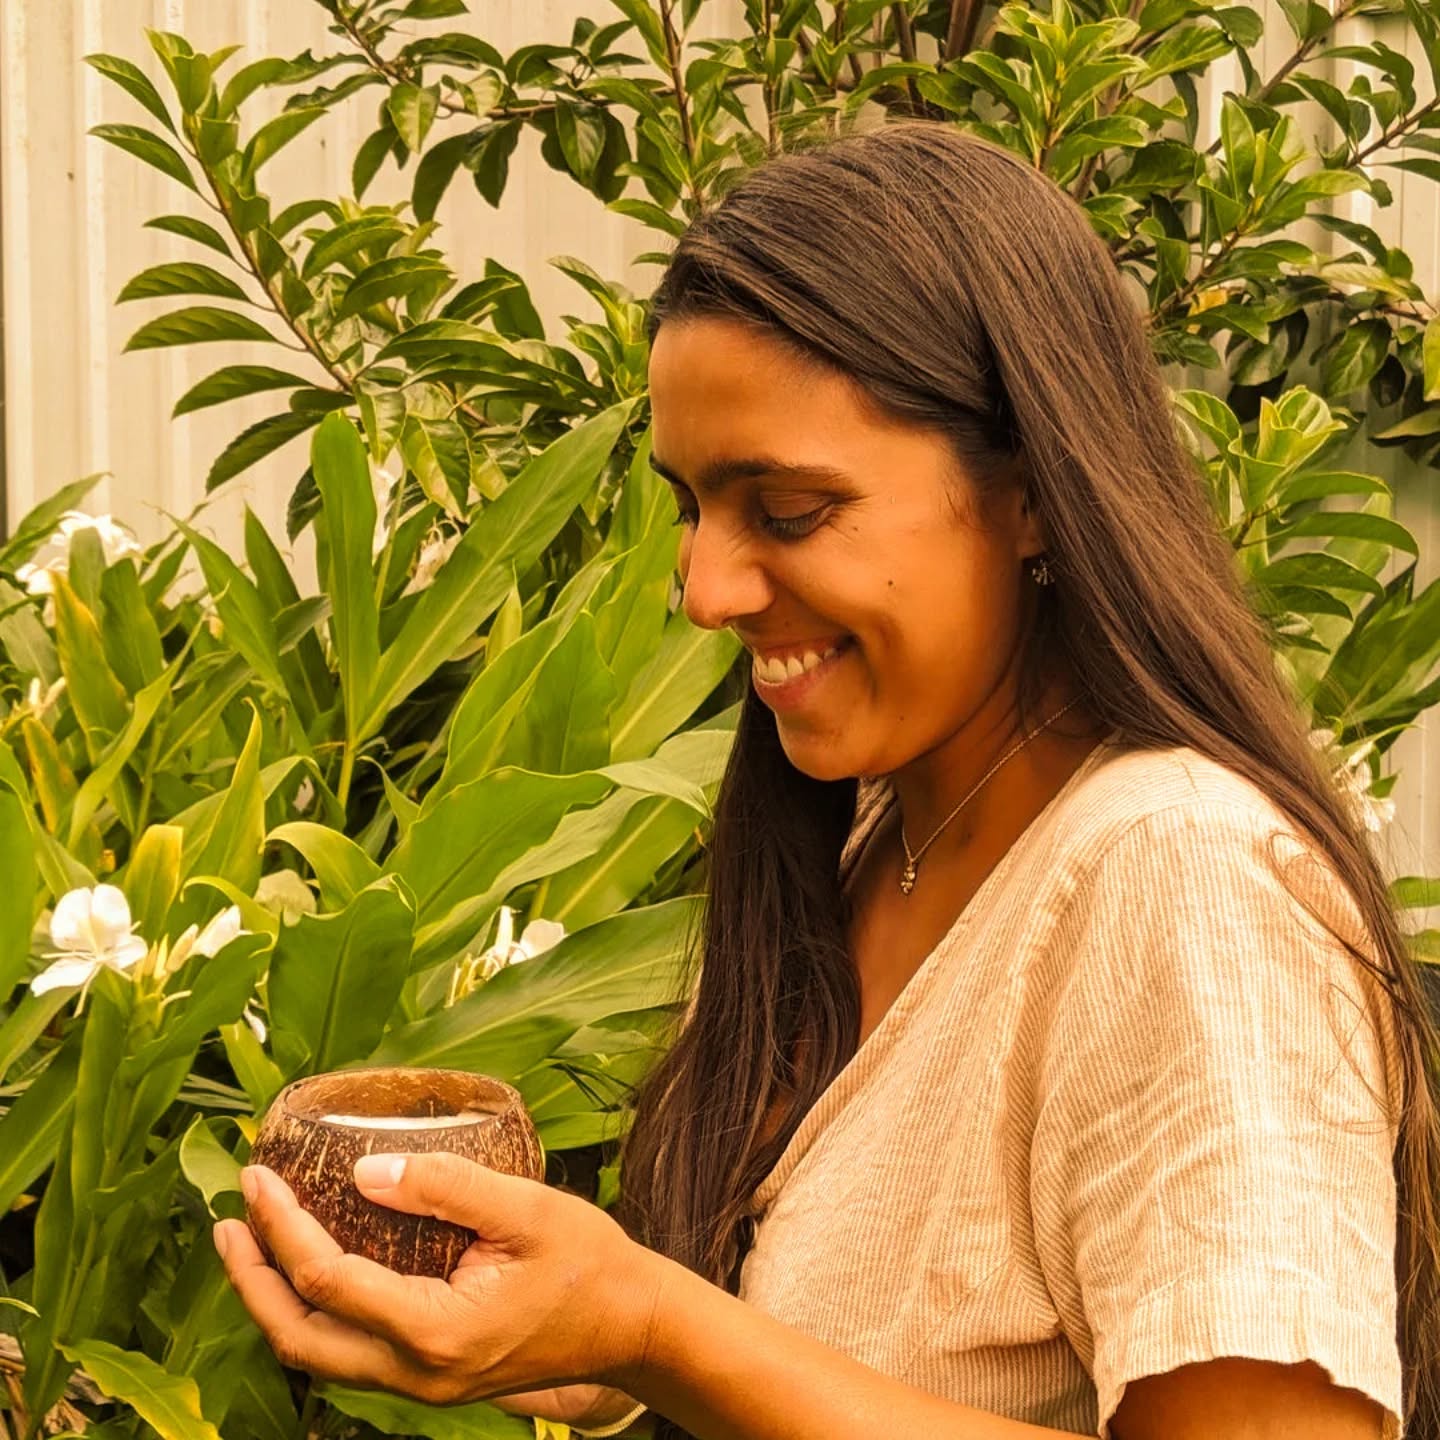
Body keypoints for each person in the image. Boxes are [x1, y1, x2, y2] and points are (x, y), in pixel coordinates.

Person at [215, 123, 1440, 1440]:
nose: (704, 590)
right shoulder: (881, 839)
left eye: (788, 511)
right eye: (690, 505)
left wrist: (655, 1323)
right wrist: (597, 1352)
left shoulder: (1184, 879)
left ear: (1033, 489)